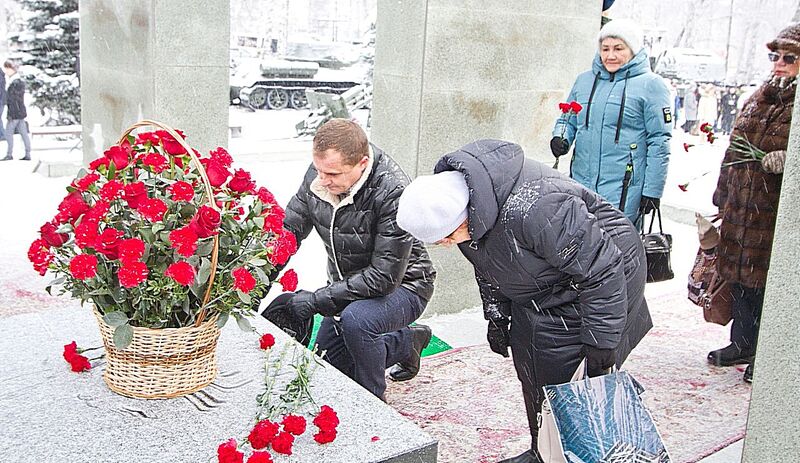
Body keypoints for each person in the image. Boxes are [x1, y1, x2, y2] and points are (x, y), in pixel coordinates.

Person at [397, 139, 652, 463]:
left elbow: (603, 269)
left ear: (465, 215)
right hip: (547, 281)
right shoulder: (468, 209)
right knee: (530, 362)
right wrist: (497, 315)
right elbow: (489, 263)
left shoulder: (538, 209)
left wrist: (602, 341)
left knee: (568, 377)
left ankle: (578, 454)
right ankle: (543, 449)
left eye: (447, 236)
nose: (447, 244)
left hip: (600, 281)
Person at [267, 118, 436, 400]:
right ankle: (406, 343)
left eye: (333, 173)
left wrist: (315, 301)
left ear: (362, 163)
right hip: (347, 286)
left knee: (357, 321)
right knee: (330, 367)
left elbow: (383, 278)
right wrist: (254, 285)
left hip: (404, 286)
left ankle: (373, 405)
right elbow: (289, 230)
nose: (323, 180)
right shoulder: (321, 175)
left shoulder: (392, 191)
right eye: (319, 170)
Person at [709, 23, 800, 384]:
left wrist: (789, 161)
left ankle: (769, 354)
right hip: (742, 209)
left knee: (770, 289)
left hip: (777, 214)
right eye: (776, 56)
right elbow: (733, 151)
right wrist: (721, 196)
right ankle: (743, 342)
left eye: (789, 58)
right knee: (741, 281)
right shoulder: (759, 97)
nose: (779, 63)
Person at [550, 18, 672, 225]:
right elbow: (568, 119)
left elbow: (660, 141)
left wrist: (652, 191)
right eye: (605, 49)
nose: (610, 55)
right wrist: (560, 137)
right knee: (577, 237)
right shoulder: (584, 81)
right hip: (581, 182)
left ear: (633, 49)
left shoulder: (651, 85)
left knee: (616, 241)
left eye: (618, 48)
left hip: (624, 189)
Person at [1, 61, 31, 161]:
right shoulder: (16, 81)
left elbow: (13, 100)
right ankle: (27, 153)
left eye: (7, 69)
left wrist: (11, 114)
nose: (6, 71)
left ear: (12, 69)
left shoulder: (15, 83)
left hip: (15, 113)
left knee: (8, 133)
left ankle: (9, 154)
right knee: (23, 133)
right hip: (19, 112)